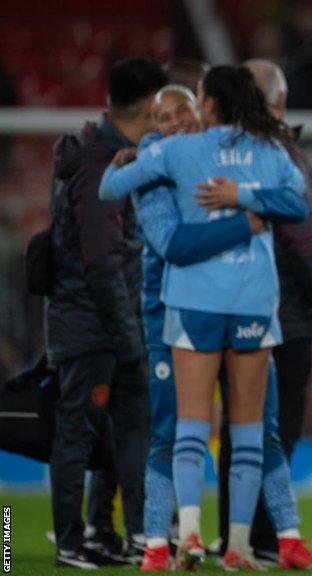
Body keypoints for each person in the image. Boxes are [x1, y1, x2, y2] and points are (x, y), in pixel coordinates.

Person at [98, 64, 308, 571]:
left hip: (192, 304)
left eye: (189, 102)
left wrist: (132, 158)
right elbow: (297, 203)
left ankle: (188, 536)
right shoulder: (268, 149)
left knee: (188, 428)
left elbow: (112, 190)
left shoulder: (176, 152)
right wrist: (248, 210)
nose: (175, 119)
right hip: (254, 301)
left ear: (206, 105)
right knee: (250, 430)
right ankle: (232, 545)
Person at [212, 58, 312, 564]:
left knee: (236, 427)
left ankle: (234, 537)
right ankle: (265, 538)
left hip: (222, 307)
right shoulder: (280, 155)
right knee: (274, 427)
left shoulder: (215, 152)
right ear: (280, 101)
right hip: (282, 312)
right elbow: (302, 239)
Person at [44, 58, 165, 569]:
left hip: (93, 321)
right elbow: (101, 263)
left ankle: (101, 534)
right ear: (149, 107)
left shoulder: (105, 150)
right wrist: (128, 335)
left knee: (114, 433)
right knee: (80, 433)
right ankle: (73, 542)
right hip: (94, 325)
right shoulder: (102, 163)